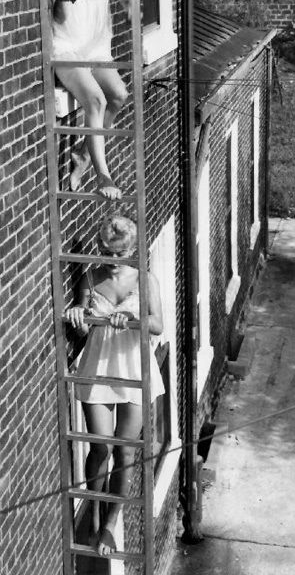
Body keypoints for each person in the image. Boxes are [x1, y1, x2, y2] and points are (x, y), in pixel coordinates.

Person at [64, 212, 165, 557]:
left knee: (125, 449)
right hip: (98, 367)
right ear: (99, 248)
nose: (114, 262)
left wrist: (135, 319)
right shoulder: (90, 278)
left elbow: (158, 325)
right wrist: (79, 314)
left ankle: (111, 523)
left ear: (132, 250)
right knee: (99, 447)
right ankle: (94, 515)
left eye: (120, 256)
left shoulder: (146, 280)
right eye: (108, 254)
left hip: (134, 369)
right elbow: (82, 325)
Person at [50, 0, 131, 200]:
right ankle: (103, 175)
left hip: (96, 48)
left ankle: (83, 154)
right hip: (67, 48)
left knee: (119, 94)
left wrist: (130, 6)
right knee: (96, 99)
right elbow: (59, 20)